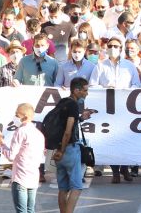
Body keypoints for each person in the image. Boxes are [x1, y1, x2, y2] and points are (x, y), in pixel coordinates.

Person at [53, 77, 91, 213]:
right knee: (76, 187)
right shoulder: (73, 105)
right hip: (68, 149)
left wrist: (81, 118)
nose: (86, 93)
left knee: (63, 188)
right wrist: (62, 150)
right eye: (84, 91)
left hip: (59, 149)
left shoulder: (62, 103)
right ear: (76, 90)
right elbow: (68, 131)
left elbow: (65, 124)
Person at [0, 102, 45, 213]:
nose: (15, 116)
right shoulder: (38, 134)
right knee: (30, 210)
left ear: (25, 117)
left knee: (22, 210)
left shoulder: (20, 131)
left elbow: (11, 155)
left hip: (20, 177)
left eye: (17, 114)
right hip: (33, 176)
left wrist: (2, 144)